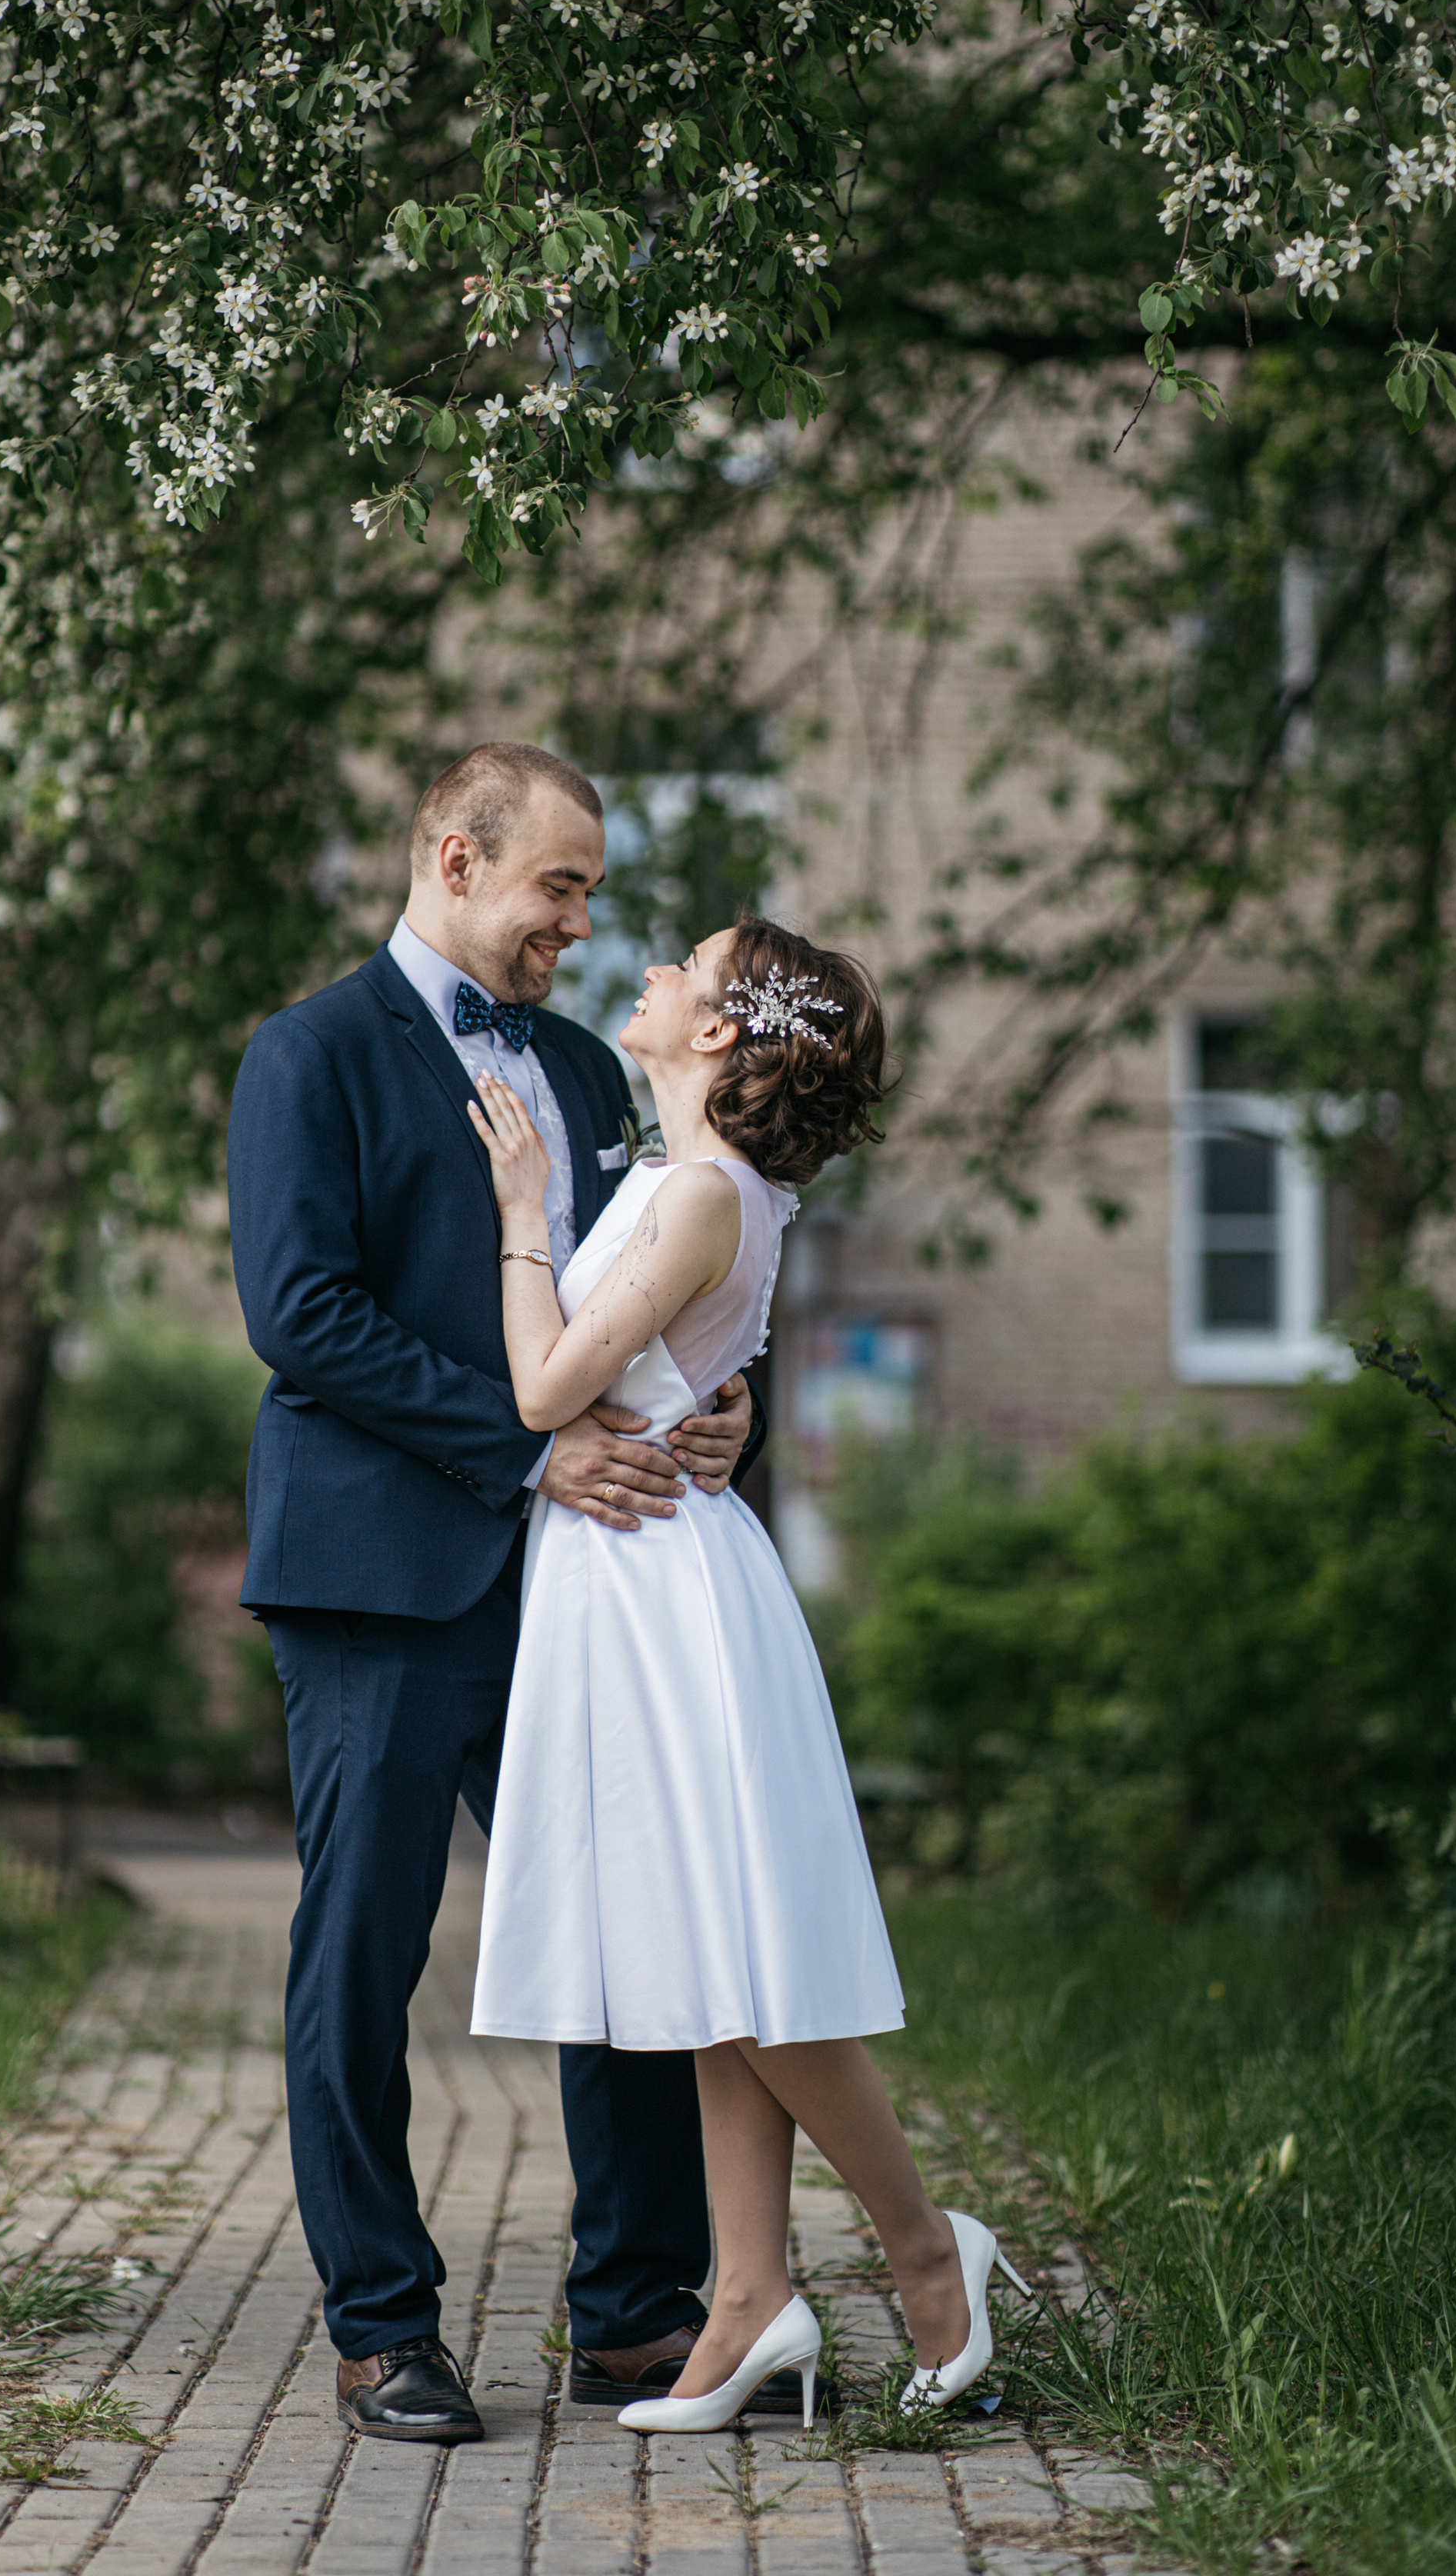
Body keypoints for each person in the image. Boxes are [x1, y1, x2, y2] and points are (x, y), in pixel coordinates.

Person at [228, 743, 791, 2448]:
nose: (579, 926)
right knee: (365, 1948)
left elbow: (644, 1278)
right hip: (381, 1581)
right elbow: (301, 1314)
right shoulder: (307, 1055)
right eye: (559, 888)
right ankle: (381, 2323)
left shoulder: (574, 1065)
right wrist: (524, 1450)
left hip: (584, 1580)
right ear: (457, 858)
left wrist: (720, 1397)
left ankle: (633, 2315)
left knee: (629, 1938)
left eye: (595, 897)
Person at [468, 916, 1029, 2431]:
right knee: (708, 1974)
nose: (646, 971)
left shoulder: (704, 1195)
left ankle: (930, 2259)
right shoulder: (692, 1185)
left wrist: (523, 1209)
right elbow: (662, 1380)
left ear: (715, 1034)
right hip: (633, 1576)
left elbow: (542, 1388)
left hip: (660, 1598)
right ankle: (746, 2295)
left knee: (752, 1980)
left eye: (679, 963)